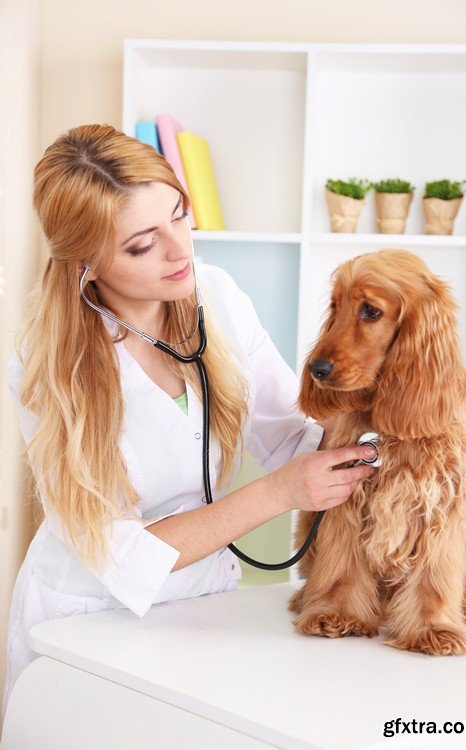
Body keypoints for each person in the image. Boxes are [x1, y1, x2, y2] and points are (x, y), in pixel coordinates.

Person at [1, 123, 377, 721]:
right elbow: (117, 555)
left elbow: (291, 432)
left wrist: (385, 432)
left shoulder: (216, 297)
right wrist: (282, 491)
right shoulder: (49, 370)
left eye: (179, 214)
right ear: (85, 265)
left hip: (203, 606)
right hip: (85, 622)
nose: (182, 250)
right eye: (143, 244)